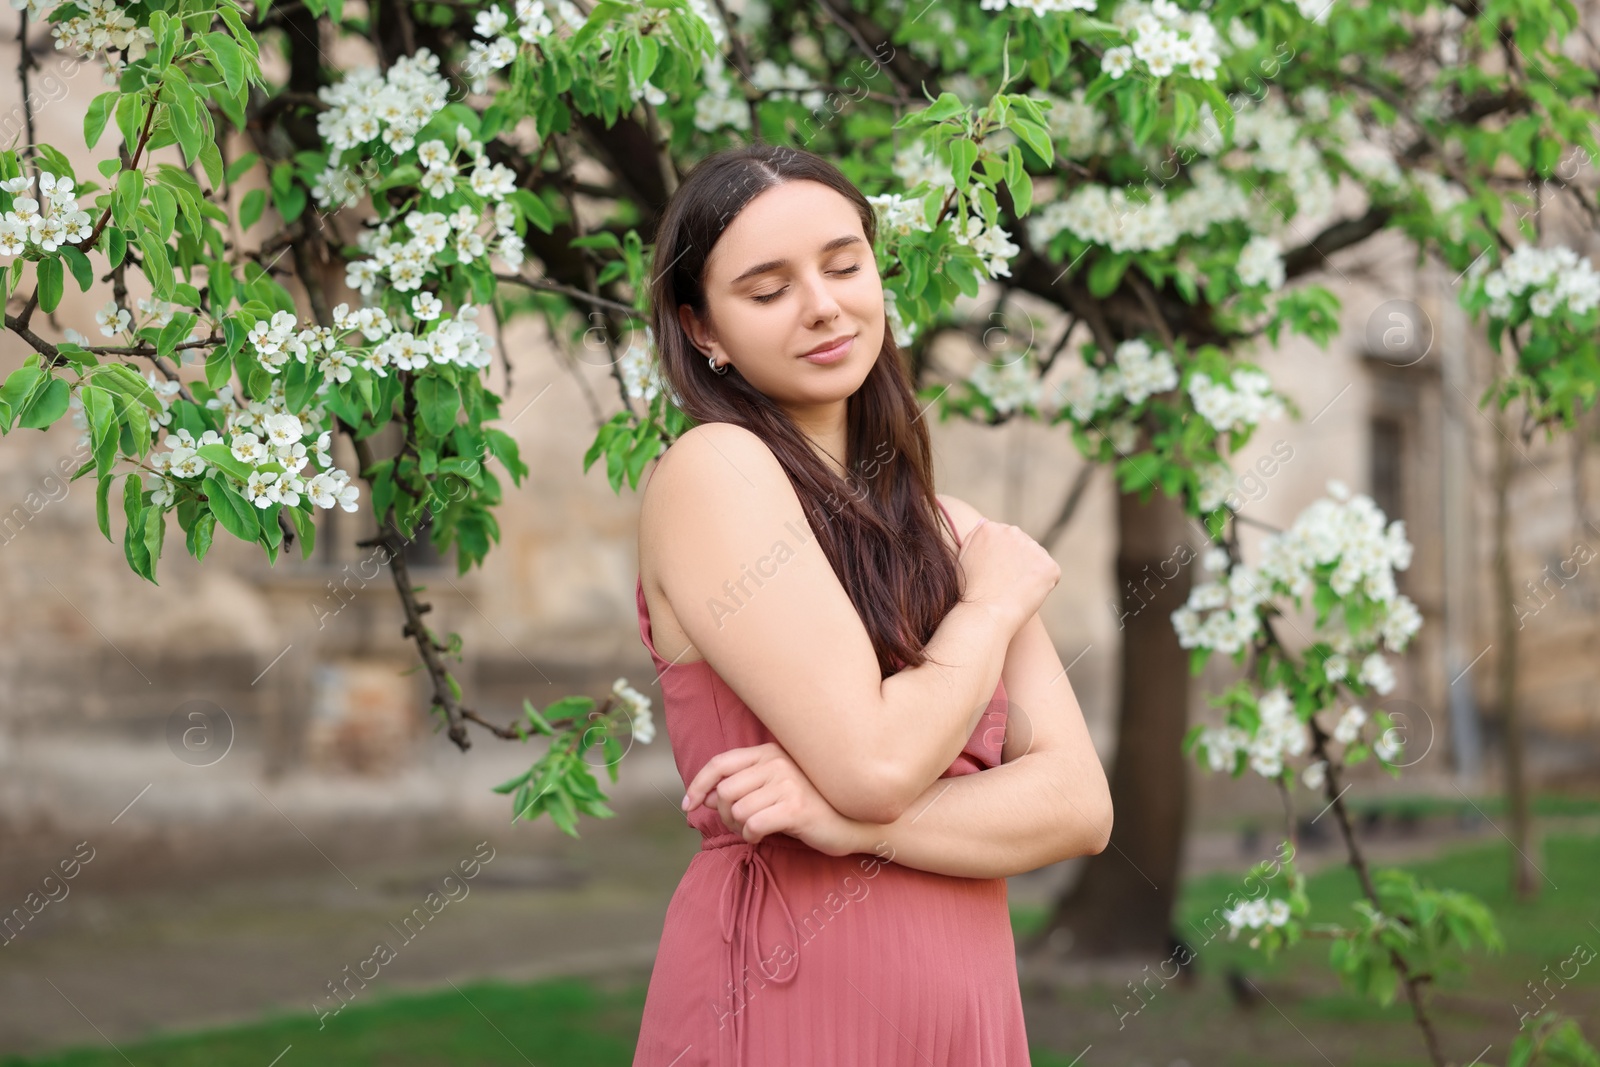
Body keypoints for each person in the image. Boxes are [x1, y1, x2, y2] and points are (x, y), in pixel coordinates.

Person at [631, 144, 1112, 1067]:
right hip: (786, 996)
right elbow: (878, 760)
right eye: (767, 291)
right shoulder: (716, 471)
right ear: (704, 331)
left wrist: (848, 824)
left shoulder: (953, 530)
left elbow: (1077, 805)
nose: (821, 304)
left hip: (963, 1013)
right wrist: (987, 610)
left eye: (845, 264)